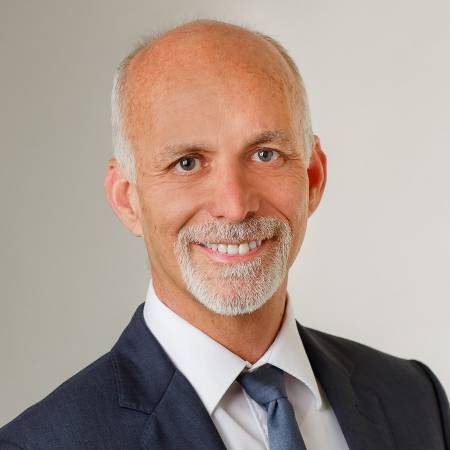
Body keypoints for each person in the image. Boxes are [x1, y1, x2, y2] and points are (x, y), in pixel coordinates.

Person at [0, 19, 448, 450]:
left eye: (265, 154)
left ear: (313, 177)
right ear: (126, 199)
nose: (234, 206)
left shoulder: (414, 399)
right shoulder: (43, 444)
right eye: (187, 163)